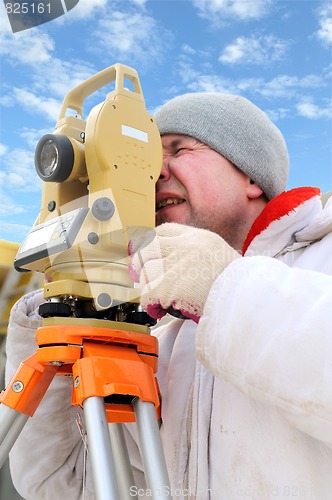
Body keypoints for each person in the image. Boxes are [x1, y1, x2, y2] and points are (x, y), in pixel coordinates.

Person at [5, 93, 332, 499]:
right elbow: (68, 485)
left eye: (178, 149)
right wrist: (56, 321)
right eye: (143, 155)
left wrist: (221, 288)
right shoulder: (162, 331)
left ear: (251, 176)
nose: (153, 172)